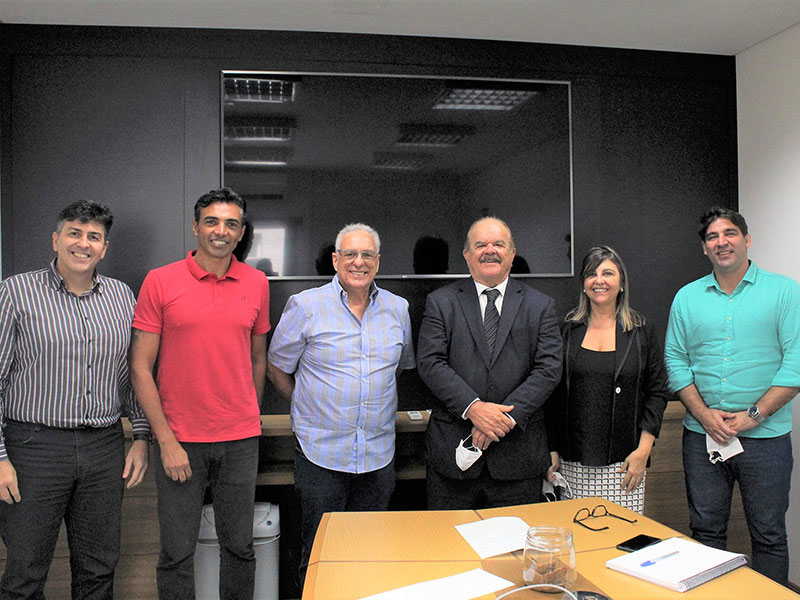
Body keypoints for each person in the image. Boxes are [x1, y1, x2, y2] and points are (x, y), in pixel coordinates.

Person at [0, 200, 150, 599]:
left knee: (99, 568)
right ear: (56, 239)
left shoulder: (121, 296)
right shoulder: (15, 292)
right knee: (25, 571)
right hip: (33, 448)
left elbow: (130, 374)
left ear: (104, 248)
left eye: (94, 237)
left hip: (103, 448)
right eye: (74, 232)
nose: (83, 243)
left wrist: (140, 436)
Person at [130, 188, 270, 599]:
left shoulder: (257, 282)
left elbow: (257, 357)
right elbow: (140, 367)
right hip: (181, 441)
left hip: (240, 441)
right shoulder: (160, 281)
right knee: (176, 553)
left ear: (241, 232)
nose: (220, 231)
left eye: (230, 224)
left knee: (240, 548)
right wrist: (166, 440)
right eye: (211, 221)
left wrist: (250, 413)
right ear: (195, 227)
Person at [267, 223, 415, 586]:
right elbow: (276, 368)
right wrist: (309, 404)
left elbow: (398, 368)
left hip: (378, 456)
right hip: (321, 454)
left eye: (367, 254)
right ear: (336, 260)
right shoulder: (305, 306)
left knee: (368, 554)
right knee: (320, 556)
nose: (358, 262)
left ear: (378, 262)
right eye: (350, 253)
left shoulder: (398, 309)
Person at [664, 207, 800, 586]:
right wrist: (703, 414)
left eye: (729, 234)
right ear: (705, 249)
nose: (721, 242)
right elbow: (675, 360)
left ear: (747, 240)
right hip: (702, 436)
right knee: (705, 533)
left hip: (766, 440)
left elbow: (797, 364)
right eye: (712, 237)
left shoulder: (785, 291)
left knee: (769, 535)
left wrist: (753, 416)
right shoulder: (687, 298)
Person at [417, 216, 562, 509]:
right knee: (448, 550)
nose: (490, 250)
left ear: (511, 253)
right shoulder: (440, 302)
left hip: (518, 462)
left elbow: (548, 369)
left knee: (513, 552)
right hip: (453, 461)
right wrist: (475, 409)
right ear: (467, 255)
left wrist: (501, 419)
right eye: (480, 244)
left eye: (499, 244)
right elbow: (431, 363)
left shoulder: (540, 305)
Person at [546, 246, 668, 514]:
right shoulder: (565, 330)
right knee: (579, 542)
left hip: (626, 462)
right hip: (573, 463)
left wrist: (643, 451)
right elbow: (552, 396)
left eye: (608, 273)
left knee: (623, 544)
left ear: (621, 282)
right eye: (591, 274)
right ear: (584, 284)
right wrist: (551, 448)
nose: (599, 280)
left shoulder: (641, 332)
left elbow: (656, 392)